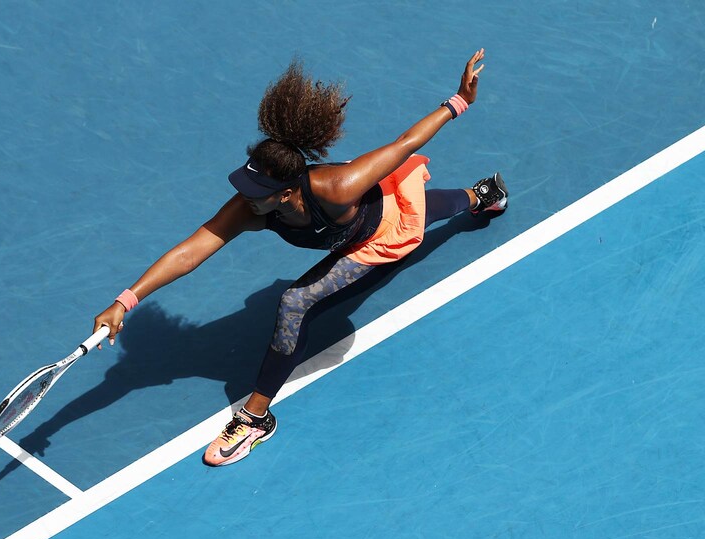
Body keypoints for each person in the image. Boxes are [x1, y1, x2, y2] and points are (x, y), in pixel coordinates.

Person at [93, 49, 507, 466]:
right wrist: (125, 300)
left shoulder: (340, 185)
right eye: (246, 188)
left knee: (298, 299)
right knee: (429, 207)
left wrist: (459, 102)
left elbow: (407, 143)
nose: (247, 200)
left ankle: (255, 418)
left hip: (376, 233)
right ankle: (482, 195)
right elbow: (189, 252)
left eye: (258, 195)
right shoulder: (249, 207)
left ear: (288, 192)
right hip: (342, 234)